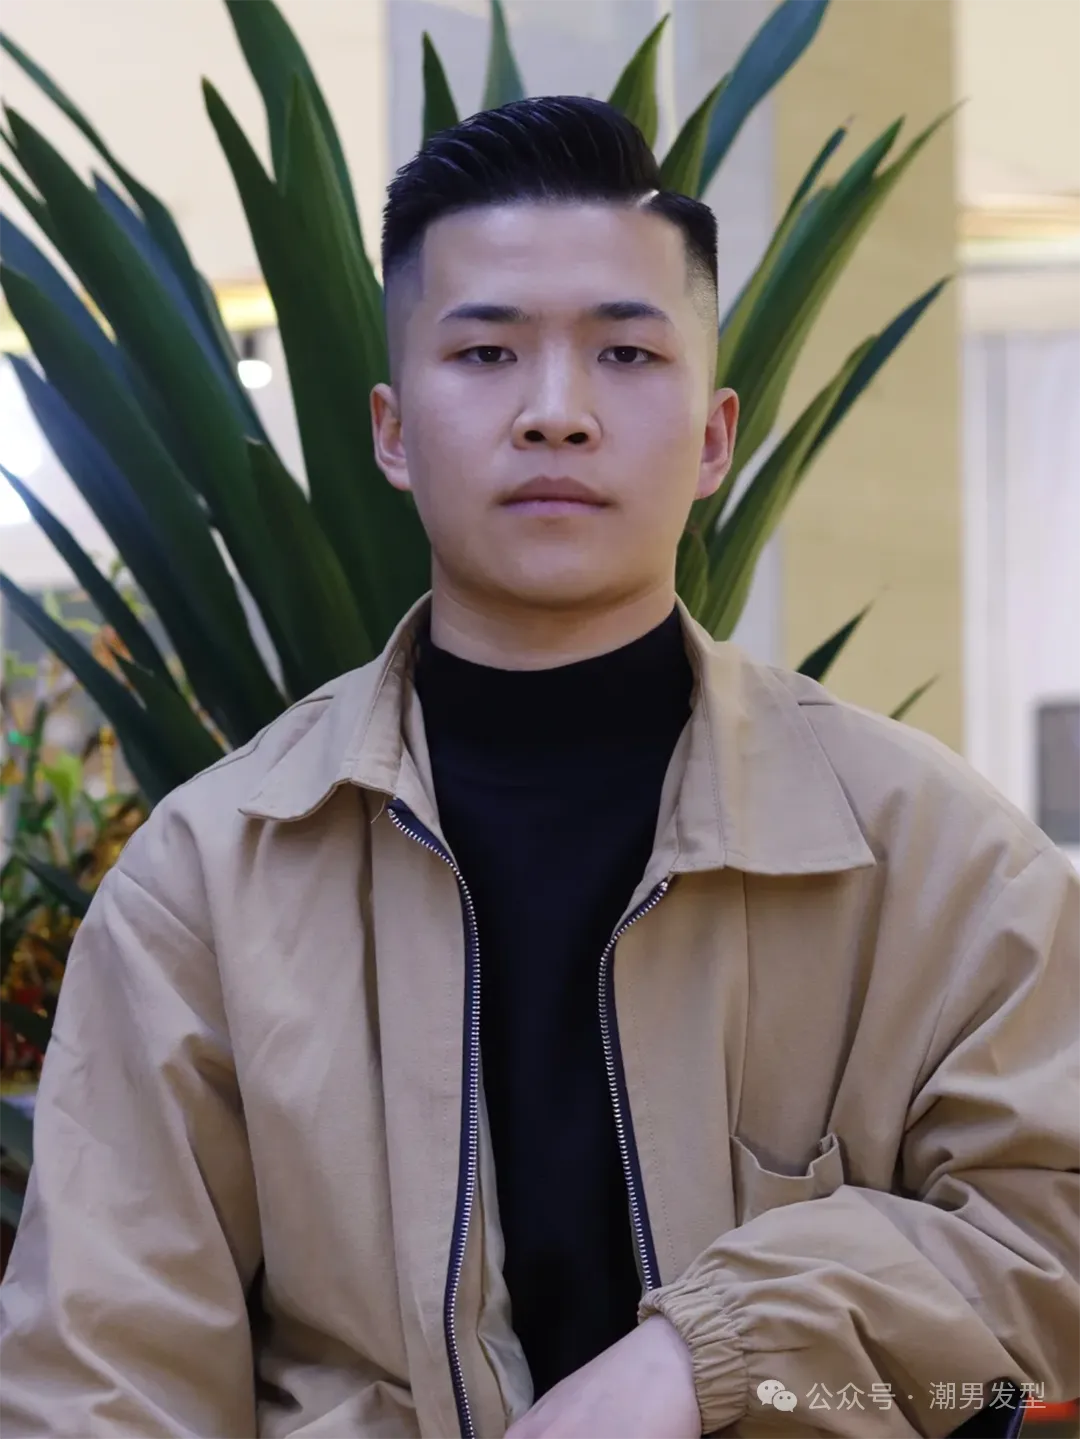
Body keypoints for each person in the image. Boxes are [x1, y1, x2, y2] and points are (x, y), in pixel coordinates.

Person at [1, 94, 1078, 1439]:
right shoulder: (210, 882)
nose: (556, 412)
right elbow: (104, 1375)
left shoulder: (927, 852)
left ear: (713, 436)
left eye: (625, 353)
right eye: (487, 352)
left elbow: (1049, 1236)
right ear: (392, 431)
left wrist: (705, 1356)